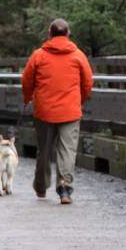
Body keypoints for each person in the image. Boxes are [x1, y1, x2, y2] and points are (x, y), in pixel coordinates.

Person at [21, 18, 93, 205]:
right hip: (70, 111)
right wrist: (79, 100)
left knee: (44, 150)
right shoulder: (78, 55)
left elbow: (27, 80)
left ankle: (41, 186)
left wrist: (28, 98)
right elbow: (87, 82)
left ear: (49, 34)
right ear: (68, 33)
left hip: (44, 111)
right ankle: (64, 189)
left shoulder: (38, 55)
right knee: (67, 150)